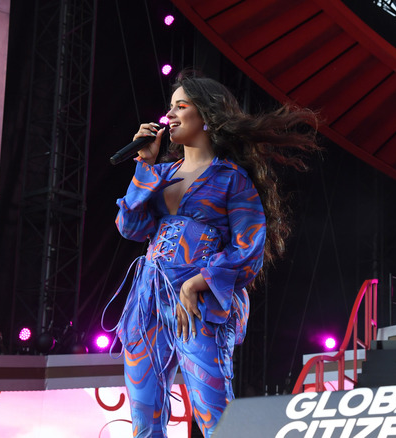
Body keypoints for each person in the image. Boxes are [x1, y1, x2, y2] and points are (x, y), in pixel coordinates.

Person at [106, 71, 320, 437]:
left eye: (181, 106)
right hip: (147, 302)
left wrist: (197, 283)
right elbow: (130, 227)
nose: (169, 115)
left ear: (206, 115)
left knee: (215, 415)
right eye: (169, 108)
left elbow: (248, 248)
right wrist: (143, 164)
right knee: (144, 418)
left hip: (199, 305)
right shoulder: (159, 174)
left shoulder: (230, 178)